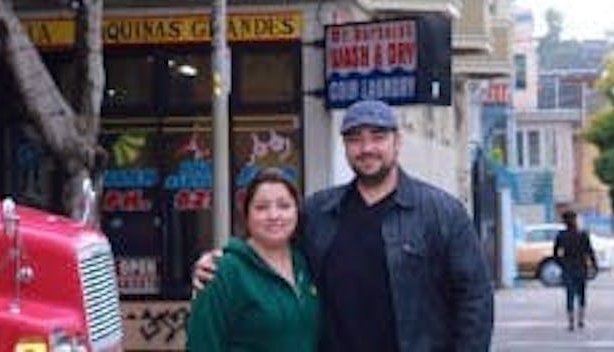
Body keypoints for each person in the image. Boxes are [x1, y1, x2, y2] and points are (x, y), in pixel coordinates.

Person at [194, 99, 493, 350]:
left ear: (397, 142)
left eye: (378, 136)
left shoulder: (442, 213)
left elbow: (475, 301)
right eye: (355, 139)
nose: (366, 148)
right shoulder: (317, 212)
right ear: (346, 146)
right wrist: (219, 260)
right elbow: (269, 251)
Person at [186, 167, 320, 351]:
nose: (274, 215)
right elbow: (202, 344)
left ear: (297, 211)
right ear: (247, 214)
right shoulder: (222, 272)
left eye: (284, 206)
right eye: (261, 207)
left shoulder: (307, 264)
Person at [553, 209, 597, 331]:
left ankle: (571, 322)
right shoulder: (582, 234)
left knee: (570, 295)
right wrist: (594, 266)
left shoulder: (561, 235)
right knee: (581, 294)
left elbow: (555, 254)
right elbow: (589, 251)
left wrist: (561, 264)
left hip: (568, 268)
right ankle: (581, 320)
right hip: (581, 267)